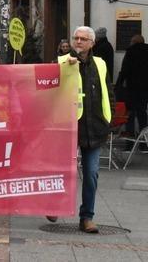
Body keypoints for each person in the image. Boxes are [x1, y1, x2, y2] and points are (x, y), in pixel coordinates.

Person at [49, 26, 114, 233]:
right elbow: (48, 90)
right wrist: (66, 69)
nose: (78, 42)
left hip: (95, 127)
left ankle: (87, 217)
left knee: (92, 174)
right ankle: (54, 206)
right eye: (76, 38)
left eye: (83, 39)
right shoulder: (60, 62)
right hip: (68, 127)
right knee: (61, 171)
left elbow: (108, 92)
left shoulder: (100, 64)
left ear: (92, 43)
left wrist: (107, 119)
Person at [115, 34, 148, 140]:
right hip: (144, 89)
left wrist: (118, 85)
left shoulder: (130, 52)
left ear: (133, 42)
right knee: (142, 113)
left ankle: (130, 141)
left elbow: (124, 70)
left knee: (130, 114)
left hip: (131, 89)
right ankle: (144, 141)